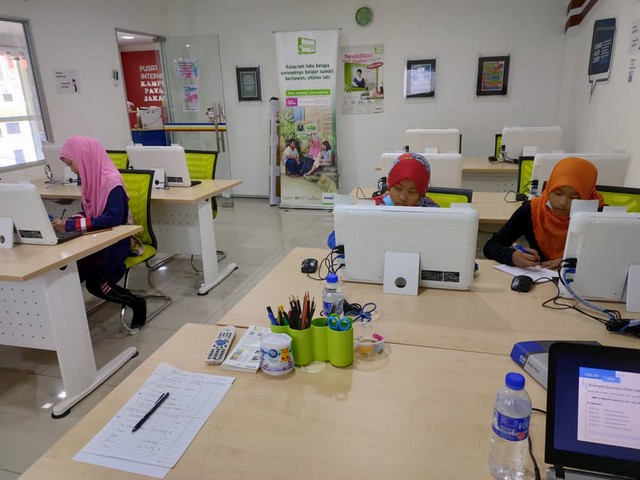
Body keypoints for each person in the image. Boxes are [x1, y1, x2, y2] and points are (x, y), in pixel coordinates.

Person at [51, 136, 147, 331]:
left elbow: (113, 218)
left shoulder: (112, 183)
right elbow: (89, 213)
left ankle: (136, 302)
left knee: (95, 283)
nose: (71, 169)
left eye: (71, 164)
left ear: (83, 158)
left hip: (117, 240)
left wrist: (71, 225)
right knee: (70, 271)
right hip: (97, 239)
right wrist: (68, 222)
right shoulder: (91, 180)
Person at [483, 156, 604, 270]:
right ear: (549, 187)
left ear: (586, 196)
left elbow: (608, 258)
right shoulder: (532, 210)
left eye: (574, 197)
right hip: (539, 280)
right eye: (558, 193)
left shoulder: (601, 217)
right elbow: (491, 246)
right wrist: (512, 256)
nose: (562, 202)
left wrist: (571, 263)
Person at [373, 152, 439, 207]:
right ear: (389, 186)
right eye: (398, 188)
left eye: (412, 192)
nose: (402, 197)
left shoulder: (434, 213)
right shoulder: (373, 208)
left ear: (422, 194)